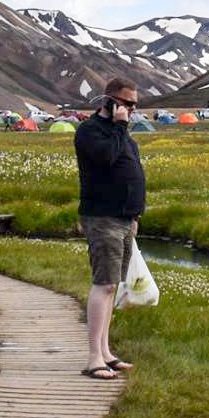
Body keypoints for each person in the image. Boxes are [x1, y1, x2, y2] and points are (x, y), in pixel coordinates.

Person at [74, 78, 146, 381]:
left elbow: (129, 168)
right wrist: (118, 125)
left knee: (113, 284)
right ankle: (93, 358)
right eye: (126, 103)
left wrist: (134, 214)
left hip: (123, 218)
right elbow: (106, 158)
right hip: (102, 216)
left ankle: (105, 352)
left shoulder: (123, 134)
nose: (130, 110)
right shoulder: (90, 131)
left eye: (133, 105)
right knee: (103, 283)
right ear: (109, 101)